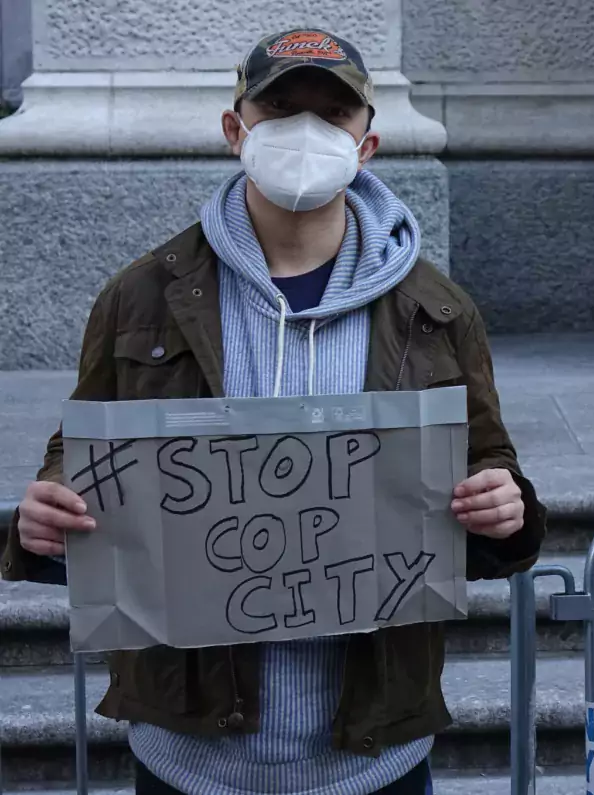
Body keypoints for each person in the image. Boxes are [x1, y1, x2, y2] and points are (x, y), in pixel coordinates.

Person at [1, 28, 547, 795]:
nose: (305, 130)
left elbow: (490, 465)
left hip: (371, 752)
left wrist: (502, 506)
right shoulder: (142, 295)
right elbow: (83, 447)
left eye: (332, 115)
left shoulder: (437, 309)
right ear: (236, 130)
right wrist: (49, 510)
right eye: (281, 106)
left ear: (367, 145)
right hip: (189, 751)